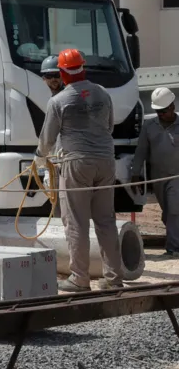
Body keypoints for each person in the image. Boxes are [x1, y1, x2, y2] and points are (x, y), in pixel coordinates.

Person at [36, 48, 124, 292]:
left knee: (76, 222)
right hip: (106, 161)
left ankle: (80, 278)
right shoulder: (103, 94)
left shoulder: (59, 101)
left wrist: (39, 162)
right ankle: (114, 279)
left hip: (76, 164)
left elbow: (47, 141)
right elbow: (109, 126)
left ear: (63, 73)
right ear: (84, 68)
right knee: (106, 221)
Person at [131, 87, 179, 258]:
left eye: (163, 111)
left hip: (176, 176)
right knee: (167, 212)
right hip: (158, 177)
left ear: (172, 107)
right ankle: (175, 240)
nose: (160, 114)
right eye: (158, 111)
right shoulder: (149, 126)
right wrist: (135, 173)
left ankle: (173, 248)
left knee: (174, 209)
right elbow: (141, 151)